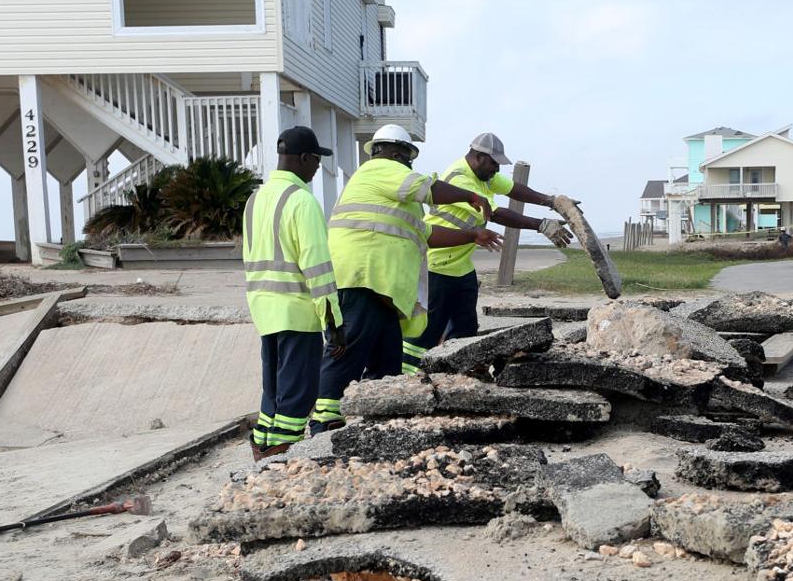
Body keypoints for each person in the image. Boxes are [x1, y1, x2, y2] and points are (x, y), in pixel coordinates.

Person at [309, 125, 502, 432]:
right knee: (346, 355)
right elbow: (429, 188)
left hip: (383, 290)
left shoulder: (400, 196)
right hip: (360, 280)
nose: (409, 164)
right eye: (408, 157)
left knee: (388, 364)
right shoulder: (380, 169)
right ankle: (325, 424)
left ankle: (377, 423)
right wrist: (472, 196)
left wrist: (472, 234)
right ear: (396, 152)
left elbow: (426, 233)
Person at [401, 132, 573, 375]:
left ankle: (457, 376)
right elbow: (496, 213)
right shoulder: (460, 179)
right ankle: (406, 378)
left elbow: (514, 189)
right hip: (435, 266)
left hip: (461, 267)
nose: (496, 170)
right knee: (426, 330)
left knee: (465, 328)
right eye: (494, 163)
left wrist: (551, 201)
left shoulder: (483, 176)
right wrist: (540, 225)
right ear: (480, 158)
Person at [243, 126, 338, 460]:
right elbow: (318, 268)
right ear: (303, 158)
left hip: (264, 311)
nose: (316, 168)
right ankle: (285, 455)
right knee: (298, 393)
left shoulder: (255, 199)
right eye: (315, 161)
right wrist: (333, 322)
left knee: (272, 394)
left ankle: (263, 452)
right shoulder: (302, 201)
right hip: (297, 313)